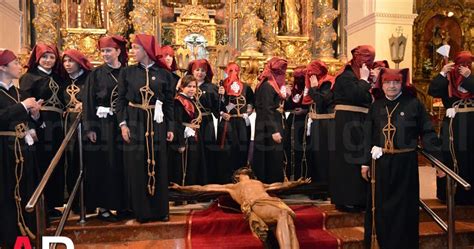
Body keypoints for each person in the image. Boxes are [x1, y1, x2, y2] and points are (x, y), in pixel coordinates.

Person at [362, 68, 441, 249]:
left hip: (405, 165)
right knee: (381, 208)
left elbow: (427, 132)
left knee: (404, 210)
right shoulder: (376, 106)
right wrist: (364, 162)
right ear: (382, 85)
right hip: (380, 164)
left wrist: (438, 162)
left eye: (395, 82)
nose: (391, 86)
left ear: (401, 84)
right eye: (387, 82)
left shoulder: (414, 104)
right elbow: (367, 135)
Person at [170, 167, 311, 249]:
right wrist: (182, 188)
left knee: (290, 223)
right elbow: (203, 188)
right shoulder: (232, 187)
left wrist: (296, 183)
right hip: (257, 204)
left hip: (271, 201)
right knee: (282, 214)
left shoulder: (260, 182)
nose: (245, 168)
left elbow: (280, 185)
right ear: (237, 176)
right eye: (242, 169)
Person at [116, 34, 175, 222]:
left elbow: (169, 103)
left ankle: (160, 211)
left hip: (157, 122)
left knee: (159, 162)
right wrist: (123, 124)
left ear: (146, 50)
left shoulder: (165, 74)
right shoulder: (127, 72)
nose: (133, 51)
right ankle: (141, 211)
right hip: (135, 121)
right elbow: (121, 100)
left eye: (136, 48)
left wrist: (170, 127)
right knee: (137, 164)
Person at [82, 35, 129, 221]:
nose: (105, 54)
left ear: (118, 52)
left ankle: (123, 204)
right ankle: (103, 207)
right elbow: (88, 100)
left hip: (124, 124)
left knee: (123, 164)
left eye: (108, 50)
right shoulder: (96, 74)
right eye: (102, 51)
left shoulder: (127, 72)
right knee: (105, 164)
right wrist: (90, 127)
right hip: (103, 126)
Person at [0, 49, 42, 247]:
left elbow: (26, 120)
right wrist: (24, 107)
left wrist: (34, 117)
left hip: (24, 149)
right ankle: (9, 238)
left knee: (26, 190)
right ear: (3, 68)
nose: (20, 66)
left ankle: (25, 238)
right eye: (16, 63)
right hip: (4, 151)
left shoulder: (22, 93)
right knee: (7, 193)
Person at [19, 43, 66, 218]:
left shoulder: (60, 78)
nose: (48, 60)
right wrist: (30, 127)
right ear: (37, 58)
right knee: (41, 161)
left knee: (57, 162)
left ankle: (53, 204)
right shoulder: (29, 77)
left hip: (58, 125)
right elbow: (25, 104)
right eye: (44, 57)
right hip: (39, 123)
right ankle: (41, 205)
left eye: (52, 57)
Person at [330, 45, 375, 212]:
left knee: (358, 158)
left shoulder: (358, 76)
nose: (367, 63)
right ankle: (347, 199)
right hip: (347, 122)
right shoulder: (345, 77)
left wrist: (371, 81)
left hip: (359, 120)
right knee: (347, 160)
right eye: (365, 59)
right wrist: (364, 81)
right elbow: (356, 95)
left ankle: (359, 198)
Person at [428, 51, 474, 205]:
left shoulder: (471, 77)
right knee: (453, 156)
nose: (464, 68)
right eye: (461, 65)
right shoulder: (448, 80)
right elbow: (432, 91)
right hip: (453, 126)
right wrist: (442, 73)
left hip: (471, 124)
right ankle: (451, 194)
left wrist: (469, 78)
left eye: (468, 65)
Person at [61, 49, 93, 213]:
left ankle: (89, 201)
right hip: (67, 125)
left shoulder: (89, 78)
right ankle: (73, 202)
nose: (67, 64)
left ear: (78, 62)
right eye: (65, 61)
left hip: (85, 123)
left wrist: (85, 106)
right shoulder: (62, 80)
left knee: (86, 161)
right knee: (70, 161)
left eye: (70, 61)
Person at [216, 62, 254, 183]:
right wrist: (222, 111)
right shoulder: (221, 87)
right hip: (228, 122)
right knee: (227, 151)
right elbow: (216, 106)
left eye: (236, 70)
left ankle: (240, 177)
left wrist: (248, 111)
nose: (233, 74)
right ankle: (225, 179)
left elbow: (251, 102)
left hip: (241, 122)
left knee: (242, 148)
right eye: (230, 71)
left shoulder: (246, 87)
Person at [253, 57, 289, 183]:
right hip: (268, 126)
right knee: (271, 156)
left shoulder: (268, 84)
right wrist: (274, 131)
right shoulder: (268, 86)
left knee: (272, 155)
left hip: (269, 123)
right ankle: (271, 185)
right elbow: (267, 109)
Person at [303, 60, 335, 197]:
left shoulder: (328, 82)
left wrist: (314, 88)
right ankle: (315, 188)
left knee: (322, 158)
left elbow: (322, 101)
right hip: (317, 124)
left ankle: (323, 189)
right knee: (314, 156)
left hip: (325, 125)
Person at [169, 74, 207, 188]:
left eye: (194, 87)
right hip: (184, 138)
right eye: (189, 86)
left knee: (193, 165)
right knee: (184, 167)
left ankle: (191, 192)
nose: (192, 89)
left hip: (194, 135)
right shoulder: (179, 101)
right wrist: (180, 143)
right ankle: (182, 195)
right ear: (182, 87)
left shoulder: (190, 100)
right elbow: (177, 122)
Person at [187, 59, 219, 183]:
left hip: (206, 122)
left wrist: (221, 97)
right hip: (191, 122)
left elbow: (218, 108)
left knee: (207, 150)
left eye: (203, 70)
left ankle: (207, 181)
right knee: (193, 152)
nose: (200, 73)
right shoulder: (186, 86)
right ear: (192, 71)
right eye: (197, 70)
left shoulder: (212, 87)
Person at [283, 66, 309, 180]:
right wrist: (287, 96)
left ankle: (302, 177)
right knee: (290, 148)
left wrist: (304, 111)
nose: (298, 81)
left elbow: (311, 106)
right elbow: (286, 107)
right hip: (291, 122)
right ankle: (290, 177)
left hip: (304, 122)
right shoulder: (292, 90)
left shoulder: (308, 91)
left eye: (300, 78)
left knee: (302, 149)